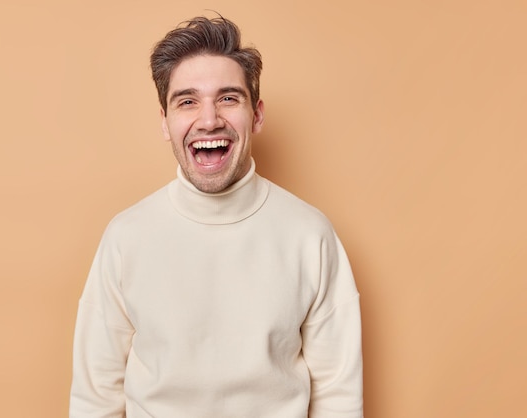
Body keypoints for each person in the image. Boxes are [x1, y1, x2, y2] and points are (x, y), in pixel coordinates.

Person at [70, 15, 363, 418]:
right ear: (164, 121)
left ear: (256, 114)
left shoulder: (311, 235)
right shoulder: (125, 237)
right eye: (187, 101)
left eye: (228, 98)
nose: (209, 120)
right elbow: (95, 396)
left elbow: (338, 396)